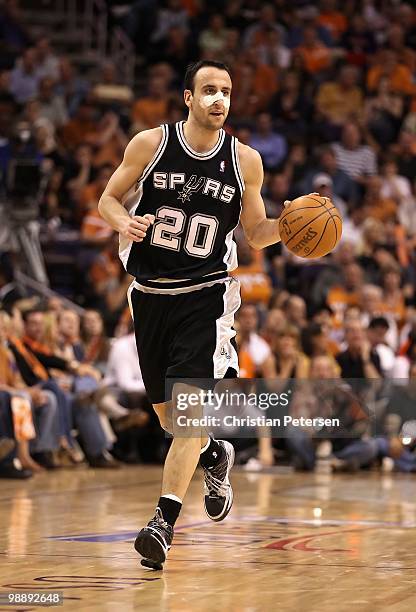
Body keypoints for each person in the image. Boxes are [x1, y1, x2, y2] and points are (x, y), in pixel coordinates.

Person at [98, 60, 294, 570]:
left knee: (187, 416)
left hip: (206, 296)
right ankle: (215, 456)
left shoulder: (245, 160)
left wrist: (288, 227)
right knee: (169, 418)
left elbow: (254, 233)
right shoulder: (150, 144)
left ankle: (162, 523)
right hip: (149, 293)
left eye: (226, 91)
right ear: (188, 97)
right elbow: (107, 199)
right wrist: (124, 220)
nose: (219, 99)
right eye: (209, 90)